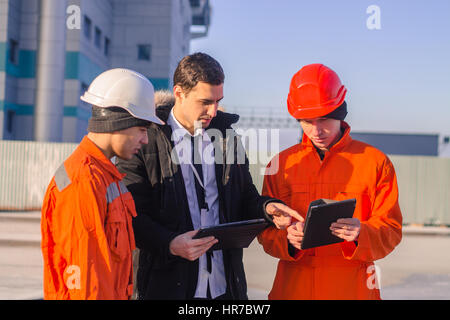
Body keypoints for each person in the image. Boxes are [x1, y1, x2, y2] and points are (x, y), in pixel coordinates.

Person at [116, 52, 300, 300]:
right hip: (167, 286)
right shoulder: (144, 139)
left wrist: (267, 208)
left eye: (218, 100)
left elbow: (245, 197)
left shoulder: (227, 138)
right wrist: (169, 243)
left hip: (225, 287)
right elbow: (131, 215)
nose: (213, 111)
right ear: (179, 93)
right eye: (205, 102)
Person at [257, 63, 403, 300]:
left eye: (323, 119)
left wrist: (361, 233)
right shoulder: (281, 165)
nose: (316, 131)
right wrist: (288, 240)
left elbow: (391, 231)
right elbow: (265, 232)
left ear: (340, 113)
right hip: (293, 290)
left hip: (354, 290)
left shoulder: (376, 163)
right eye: (306, 121)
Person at [41, 68, 163, 299]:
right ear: (119, 122)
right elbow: (85, 281)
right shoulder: (83, 180)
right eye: (141, 130)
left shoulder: (106, 175)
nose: (145, 140)